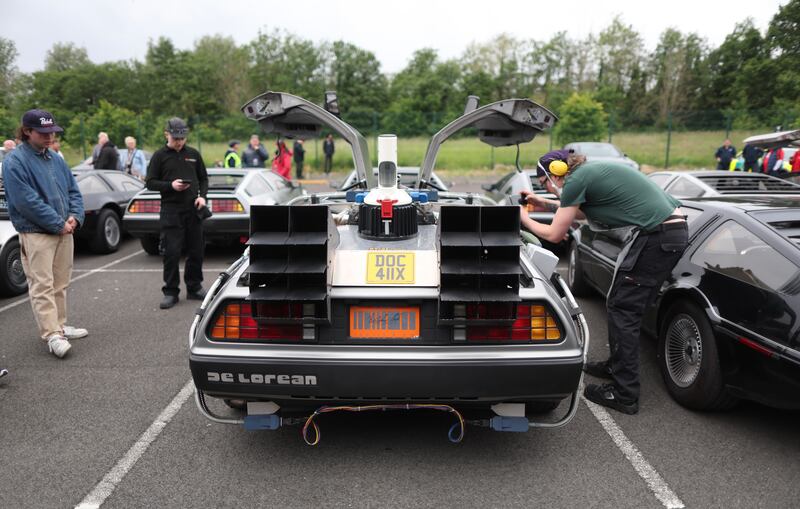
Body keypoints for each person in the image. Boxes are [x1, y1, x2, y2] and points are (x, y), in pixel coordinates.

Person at [520, 155, 688, 414]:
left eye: (546, 183)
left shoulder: (575, 180)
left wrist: (523, 217)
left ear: (556, 172)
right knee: (621, 304)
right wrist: (542, 202)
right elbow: (579, 211)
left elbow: (555, 234)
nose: (549, 188)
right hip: (668, 233)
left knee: (623, 309)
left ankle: (625, 394)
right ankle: (616, 366)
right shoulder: (586, 173)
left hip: (656, 238)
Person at [2, 109, 87, 358]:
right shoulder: (15, 161)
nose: (50, 136)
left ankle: (59, 326)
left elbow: (73, 190)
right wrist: (58, 223)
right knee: (42, 285)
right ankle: (51, 334)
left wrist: (75, 217)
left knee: (60, 282)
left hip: (63, 229)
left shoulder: (54, 158)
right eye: (43, 132)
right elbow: (25, 201)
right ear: (27, 132)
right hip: (37, 233)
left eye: (52, 131)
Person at [145, 117, 209, 310]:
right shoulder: (159, 156)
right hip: (171, 211)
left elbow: (204, 179)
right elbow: (150, 183)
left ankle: (194, 287)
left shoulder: (194, 154)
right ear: (167, 134)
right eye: (175, 138)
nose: (179, 142)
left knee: (196, 250)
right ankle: (171, 292)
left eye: (182, 138)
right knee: (171, 253)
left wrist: (202, 197)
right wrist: (170, 186)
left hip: (194, 209)